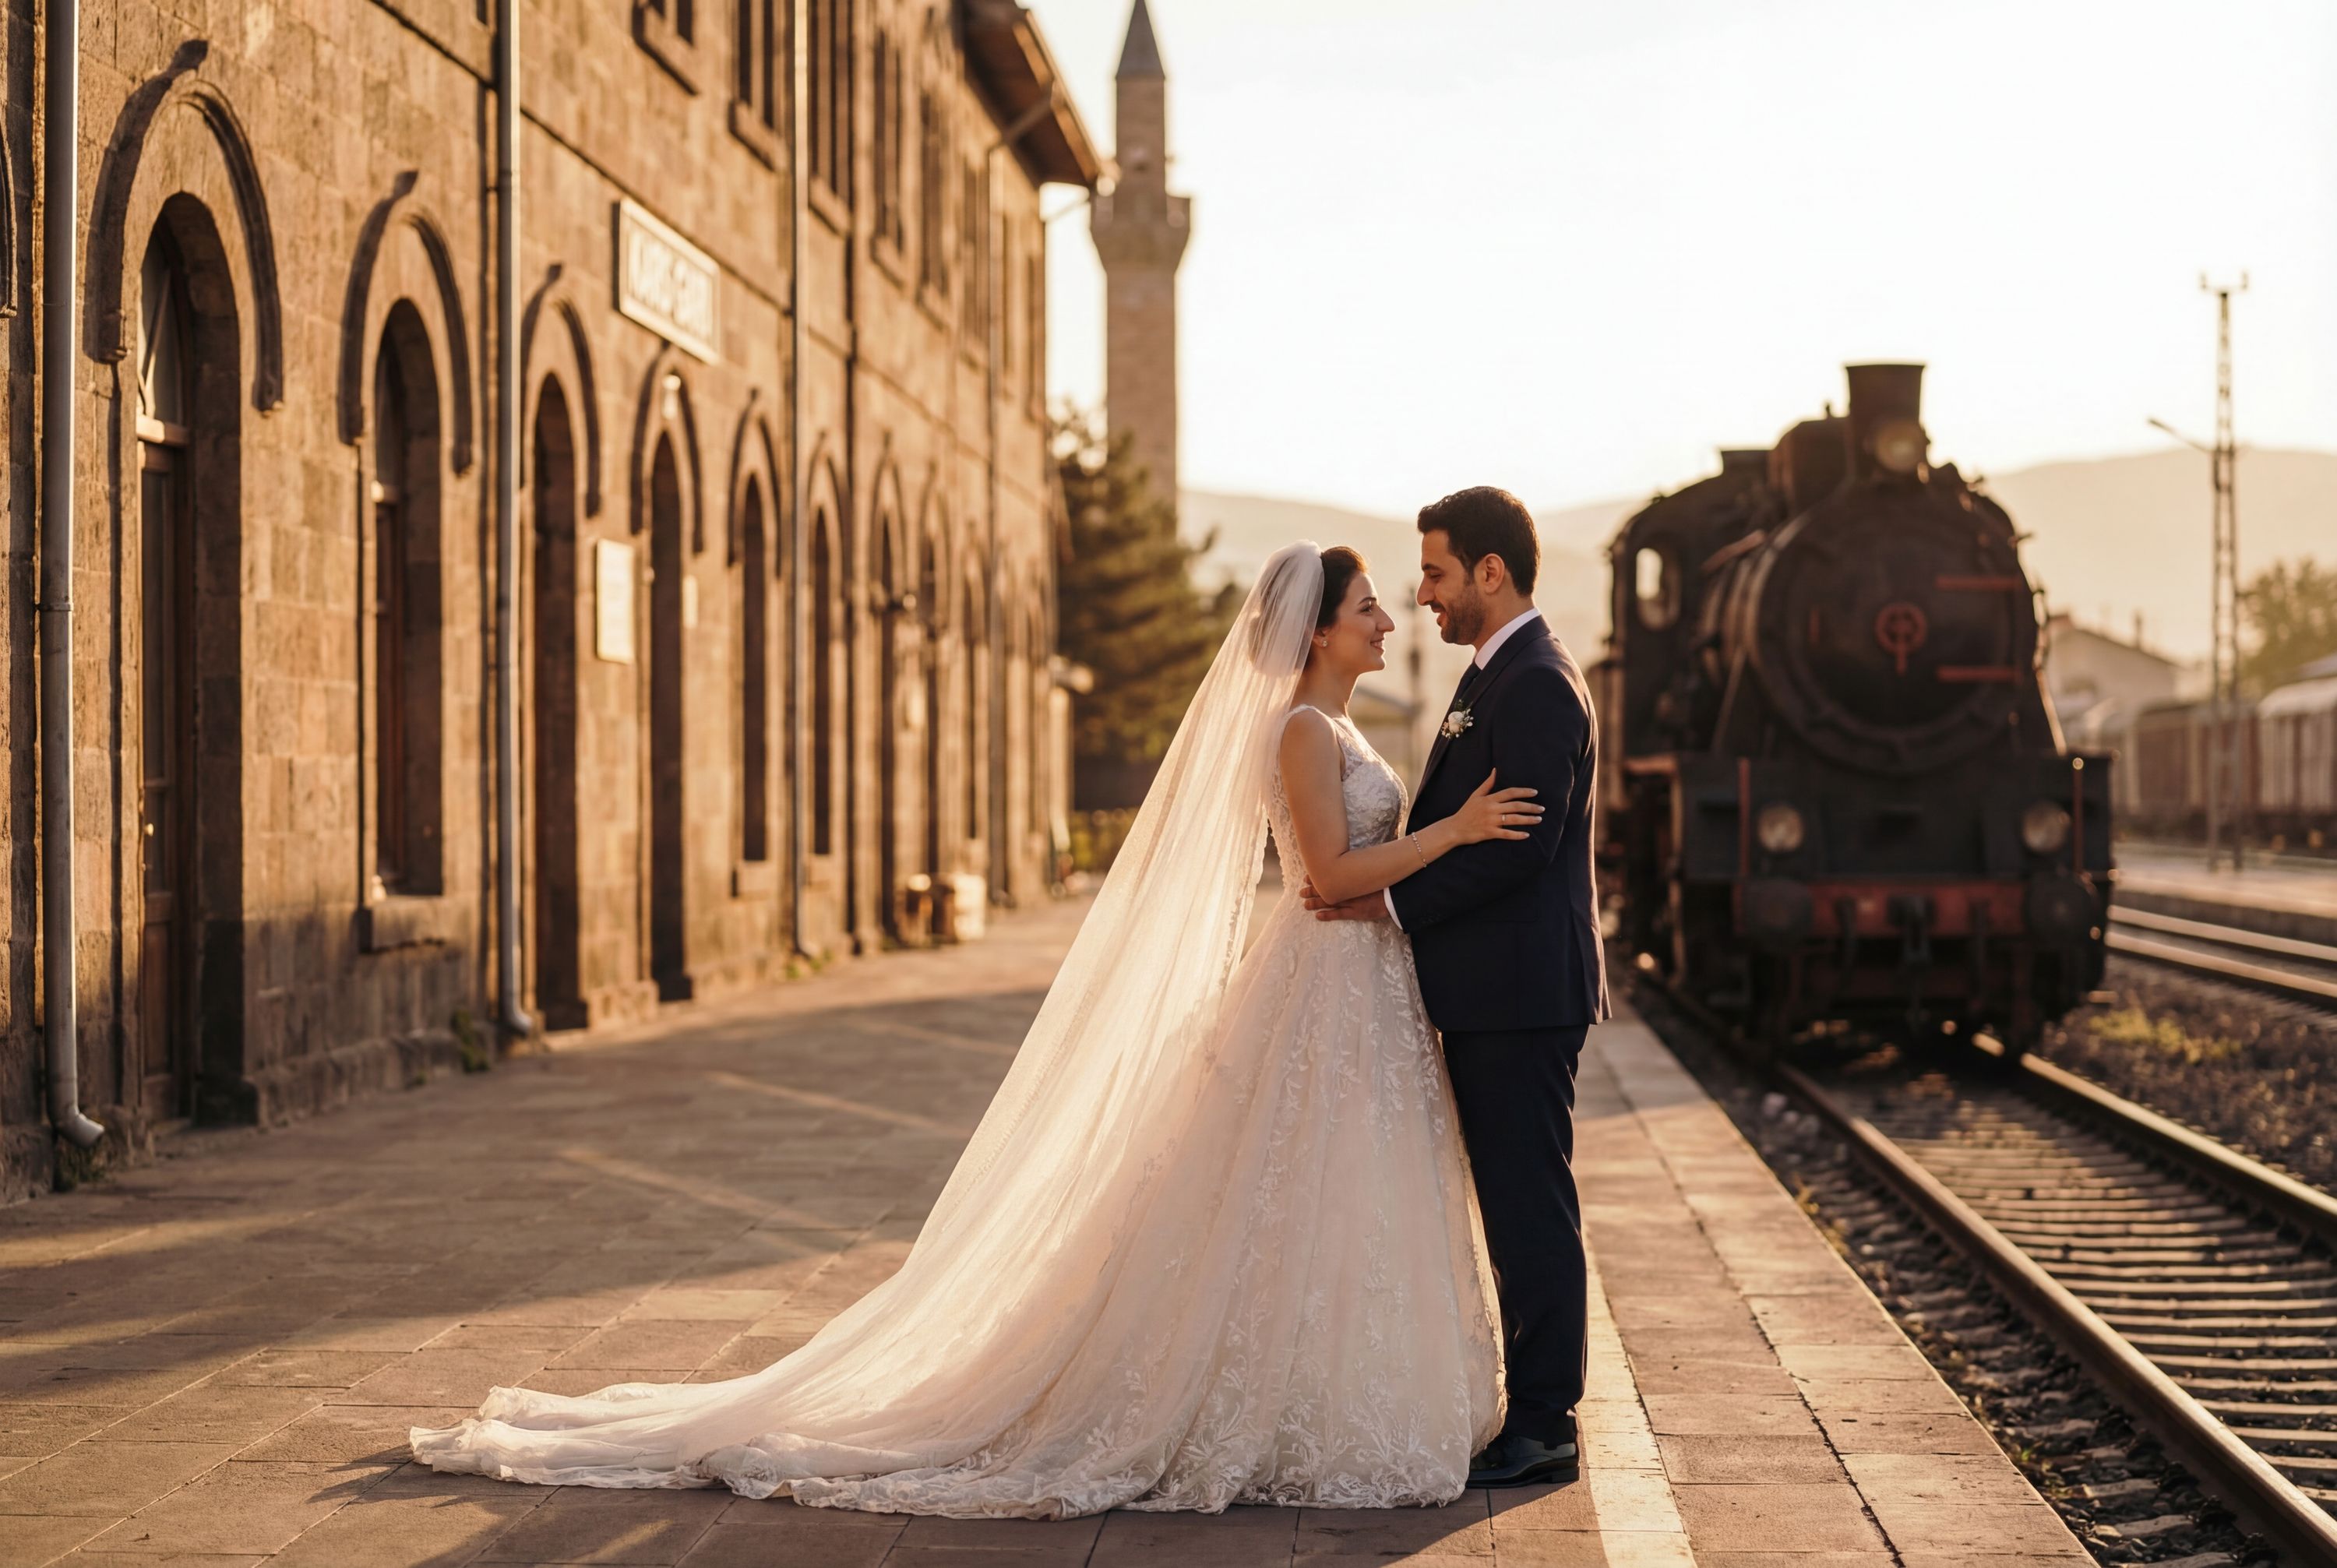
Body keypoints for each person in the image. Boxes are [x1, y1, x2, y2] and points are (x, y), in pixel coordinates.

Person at [411, 542, 1548, 1517]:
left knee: (1338, 1192)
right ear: (1315, 634)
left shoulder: (1334, 726)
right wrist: (1453, 835)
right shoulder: (1303, 731)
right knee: (1293, 1189)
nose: (1390, 618)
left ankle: (1338, 1382)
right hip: (1322, 982)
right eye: (1366, 609)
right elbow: (1331, 872)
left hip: (1363, 989)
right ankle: (1279, 1398)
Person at [1305, 486, 1610, 1489]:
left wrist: (1386, 911)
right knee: (1516, 1197)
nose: (1422, 594)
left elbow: (1516, 849)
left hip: (1521, 993)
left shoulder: (1535, 683)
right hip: (1495, 990)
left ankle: (1546, 1421)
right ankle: (1531, 1408)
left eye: (1436, 572)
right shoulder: (1498, 673)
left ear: (1490, 571)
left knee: (1528, 1203)